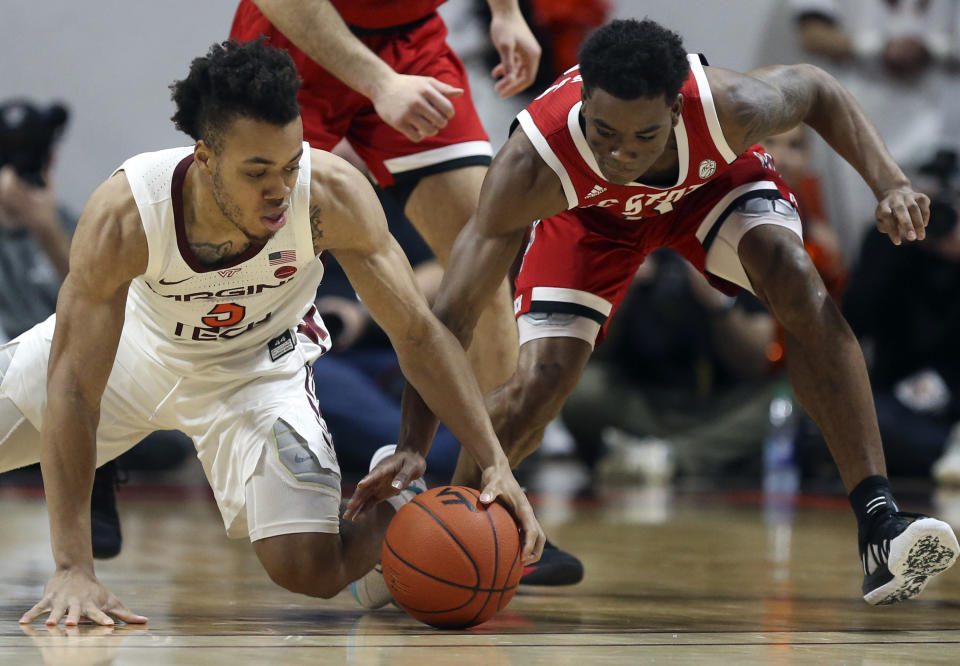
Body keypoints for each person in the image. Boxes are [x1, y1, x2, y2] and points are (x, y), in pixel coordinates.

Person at [363, 18, 960, 604]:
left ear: (676, 110)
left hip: (708, 188)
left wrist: (890, 183)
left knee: (797, 280)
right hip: (589, 219)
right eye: (605, 132)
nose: (622, 153)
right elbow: (451, 318)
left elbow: (820, 89)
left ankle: (879, 525)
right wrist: (414, 440)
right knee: (539, 384)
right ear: (584, 103)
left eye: (643, 136)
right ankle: (460, 530)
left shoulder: (729, 105)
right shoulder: (531, 165)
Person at [4, 39, 543, 628]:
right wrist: (73, 566)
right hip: (133, 353)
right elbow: (76, 388)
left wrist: (493, 461)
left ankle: (398, 517)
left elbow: (417, 333)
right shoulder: (129, 212)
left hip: (256, 375)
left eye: (289, 165)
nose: (280, 189)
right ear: (205, 160)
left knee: (309, 570)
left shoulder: (330, 195)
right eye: (256, 171)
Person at [228, 0, 579, 587]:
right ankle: (110, 455)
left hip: (411, 40)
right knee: (229, 275)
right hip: (294, 41)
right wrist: (377, 82)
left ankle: (482, 512)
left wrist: (506, 13)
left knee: (486, 260)